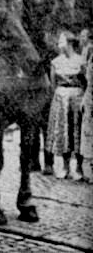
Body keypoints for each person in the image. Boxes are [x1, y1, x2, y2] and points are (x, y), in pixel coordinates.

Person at [45, 31, 86, 179]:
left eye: (61, 41)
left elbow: (85, 82)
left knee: (77, 131)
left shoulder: (81, 61)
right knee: (63, 132)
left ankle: (79, 168)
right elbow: (53, 84)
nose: (59, 44)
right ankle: (65, 166)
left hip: (77, 97)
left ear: (69, 43)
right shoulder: (56, 62)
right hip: (61, 99)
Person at [80, 46, 93, 182]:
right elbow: (88, 82)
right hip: (89, 99)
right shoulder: (90, 55)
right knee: (88, 133)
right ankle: (89, 171)